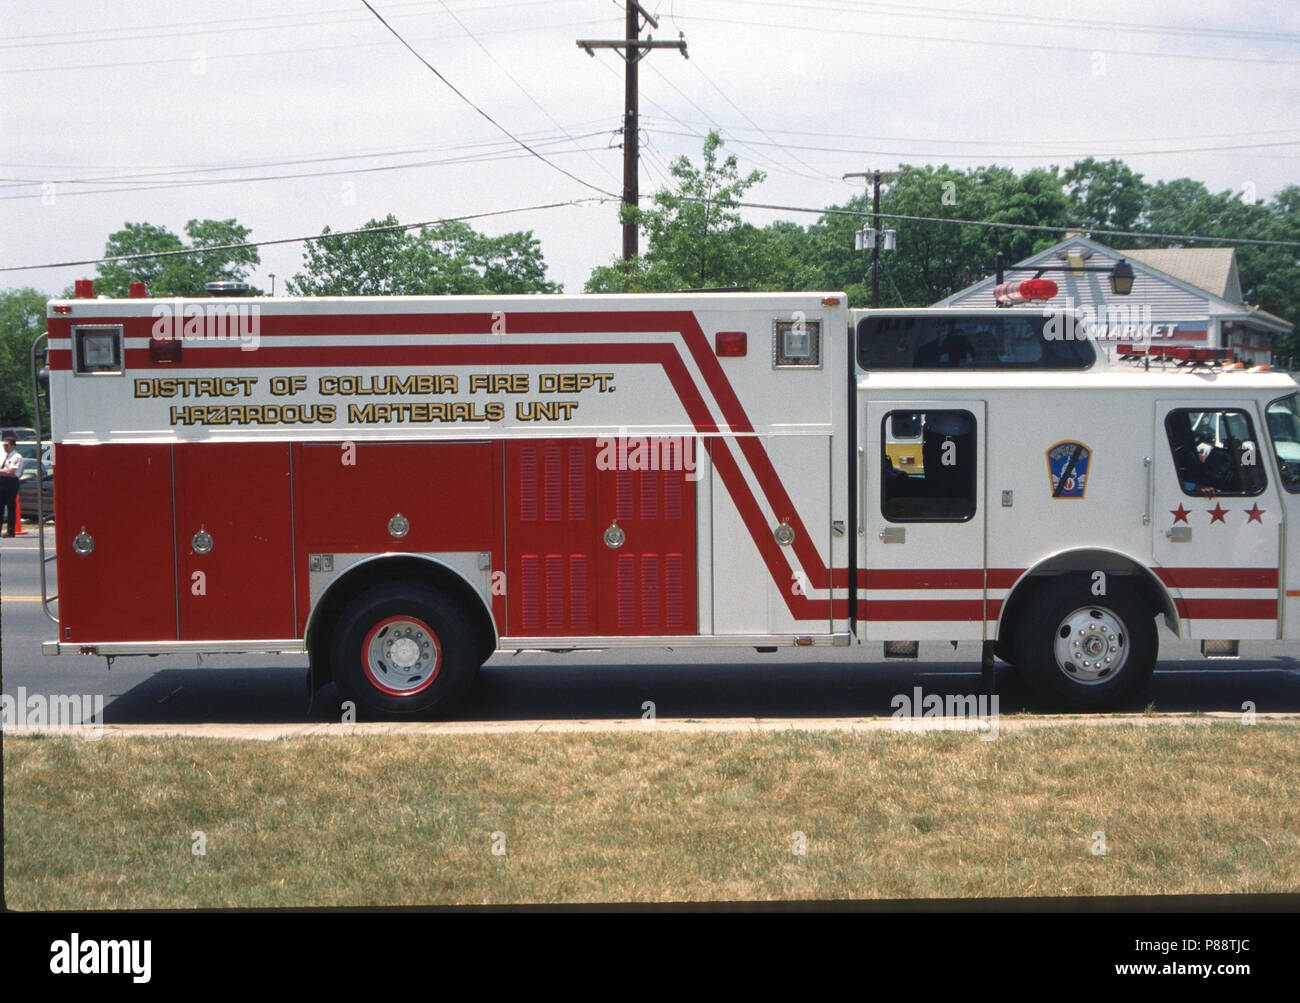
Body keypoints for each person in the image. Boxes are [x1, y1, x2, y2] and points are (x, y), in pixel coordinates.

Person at [0, 436, 22, 537]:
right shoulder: (7, 456)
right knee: (1, 507)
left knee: (10, 507)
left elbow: (11, 472)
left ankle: (10, 531)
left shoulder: (16, 456)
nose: (4, 447)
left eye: (7, 445)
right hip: (3, 481)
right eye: (4, 445)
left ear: (13, 446)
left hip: (11, 482)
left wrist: (3, 472)